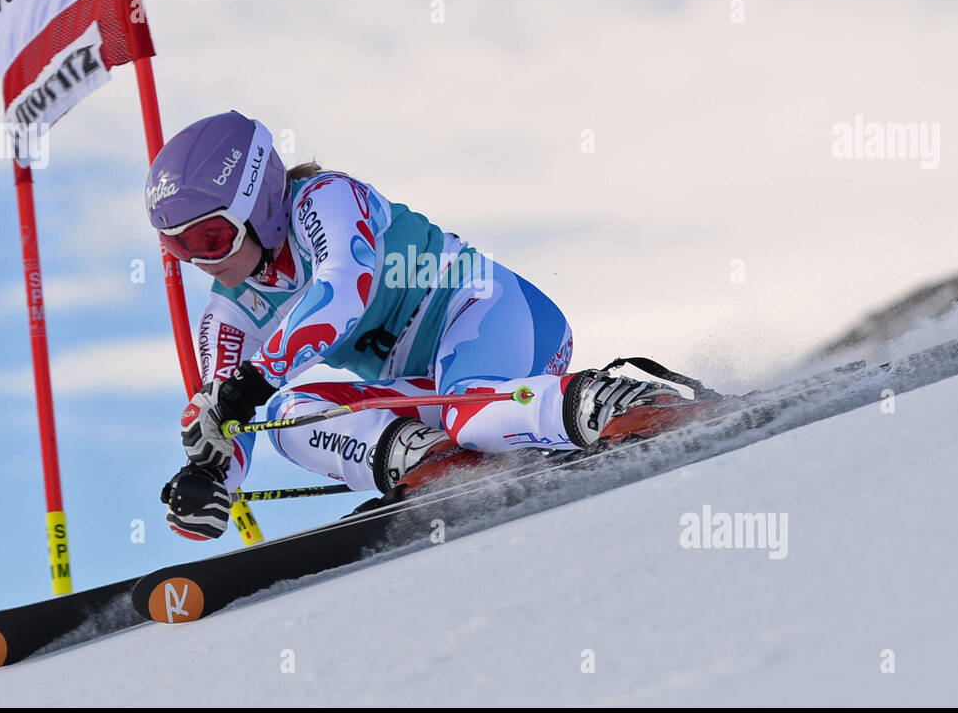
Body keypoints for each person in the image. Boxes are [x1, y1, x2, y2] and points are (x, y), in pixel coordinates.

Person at [146, 110, 675, 540]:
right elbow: (224, 417)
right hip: (436, 386)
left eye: (209, 238)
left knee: (469, 412)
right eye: (177, 245)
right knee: (288, 415)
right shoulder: (229, 313)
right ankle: (433, 461)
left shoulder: (325, 199)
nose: (199, 260)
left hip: (492, 314)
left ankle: (631, 404)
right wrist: (209, 479)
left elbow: (340, 290)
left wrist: (255, 380)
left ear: (258, 206)